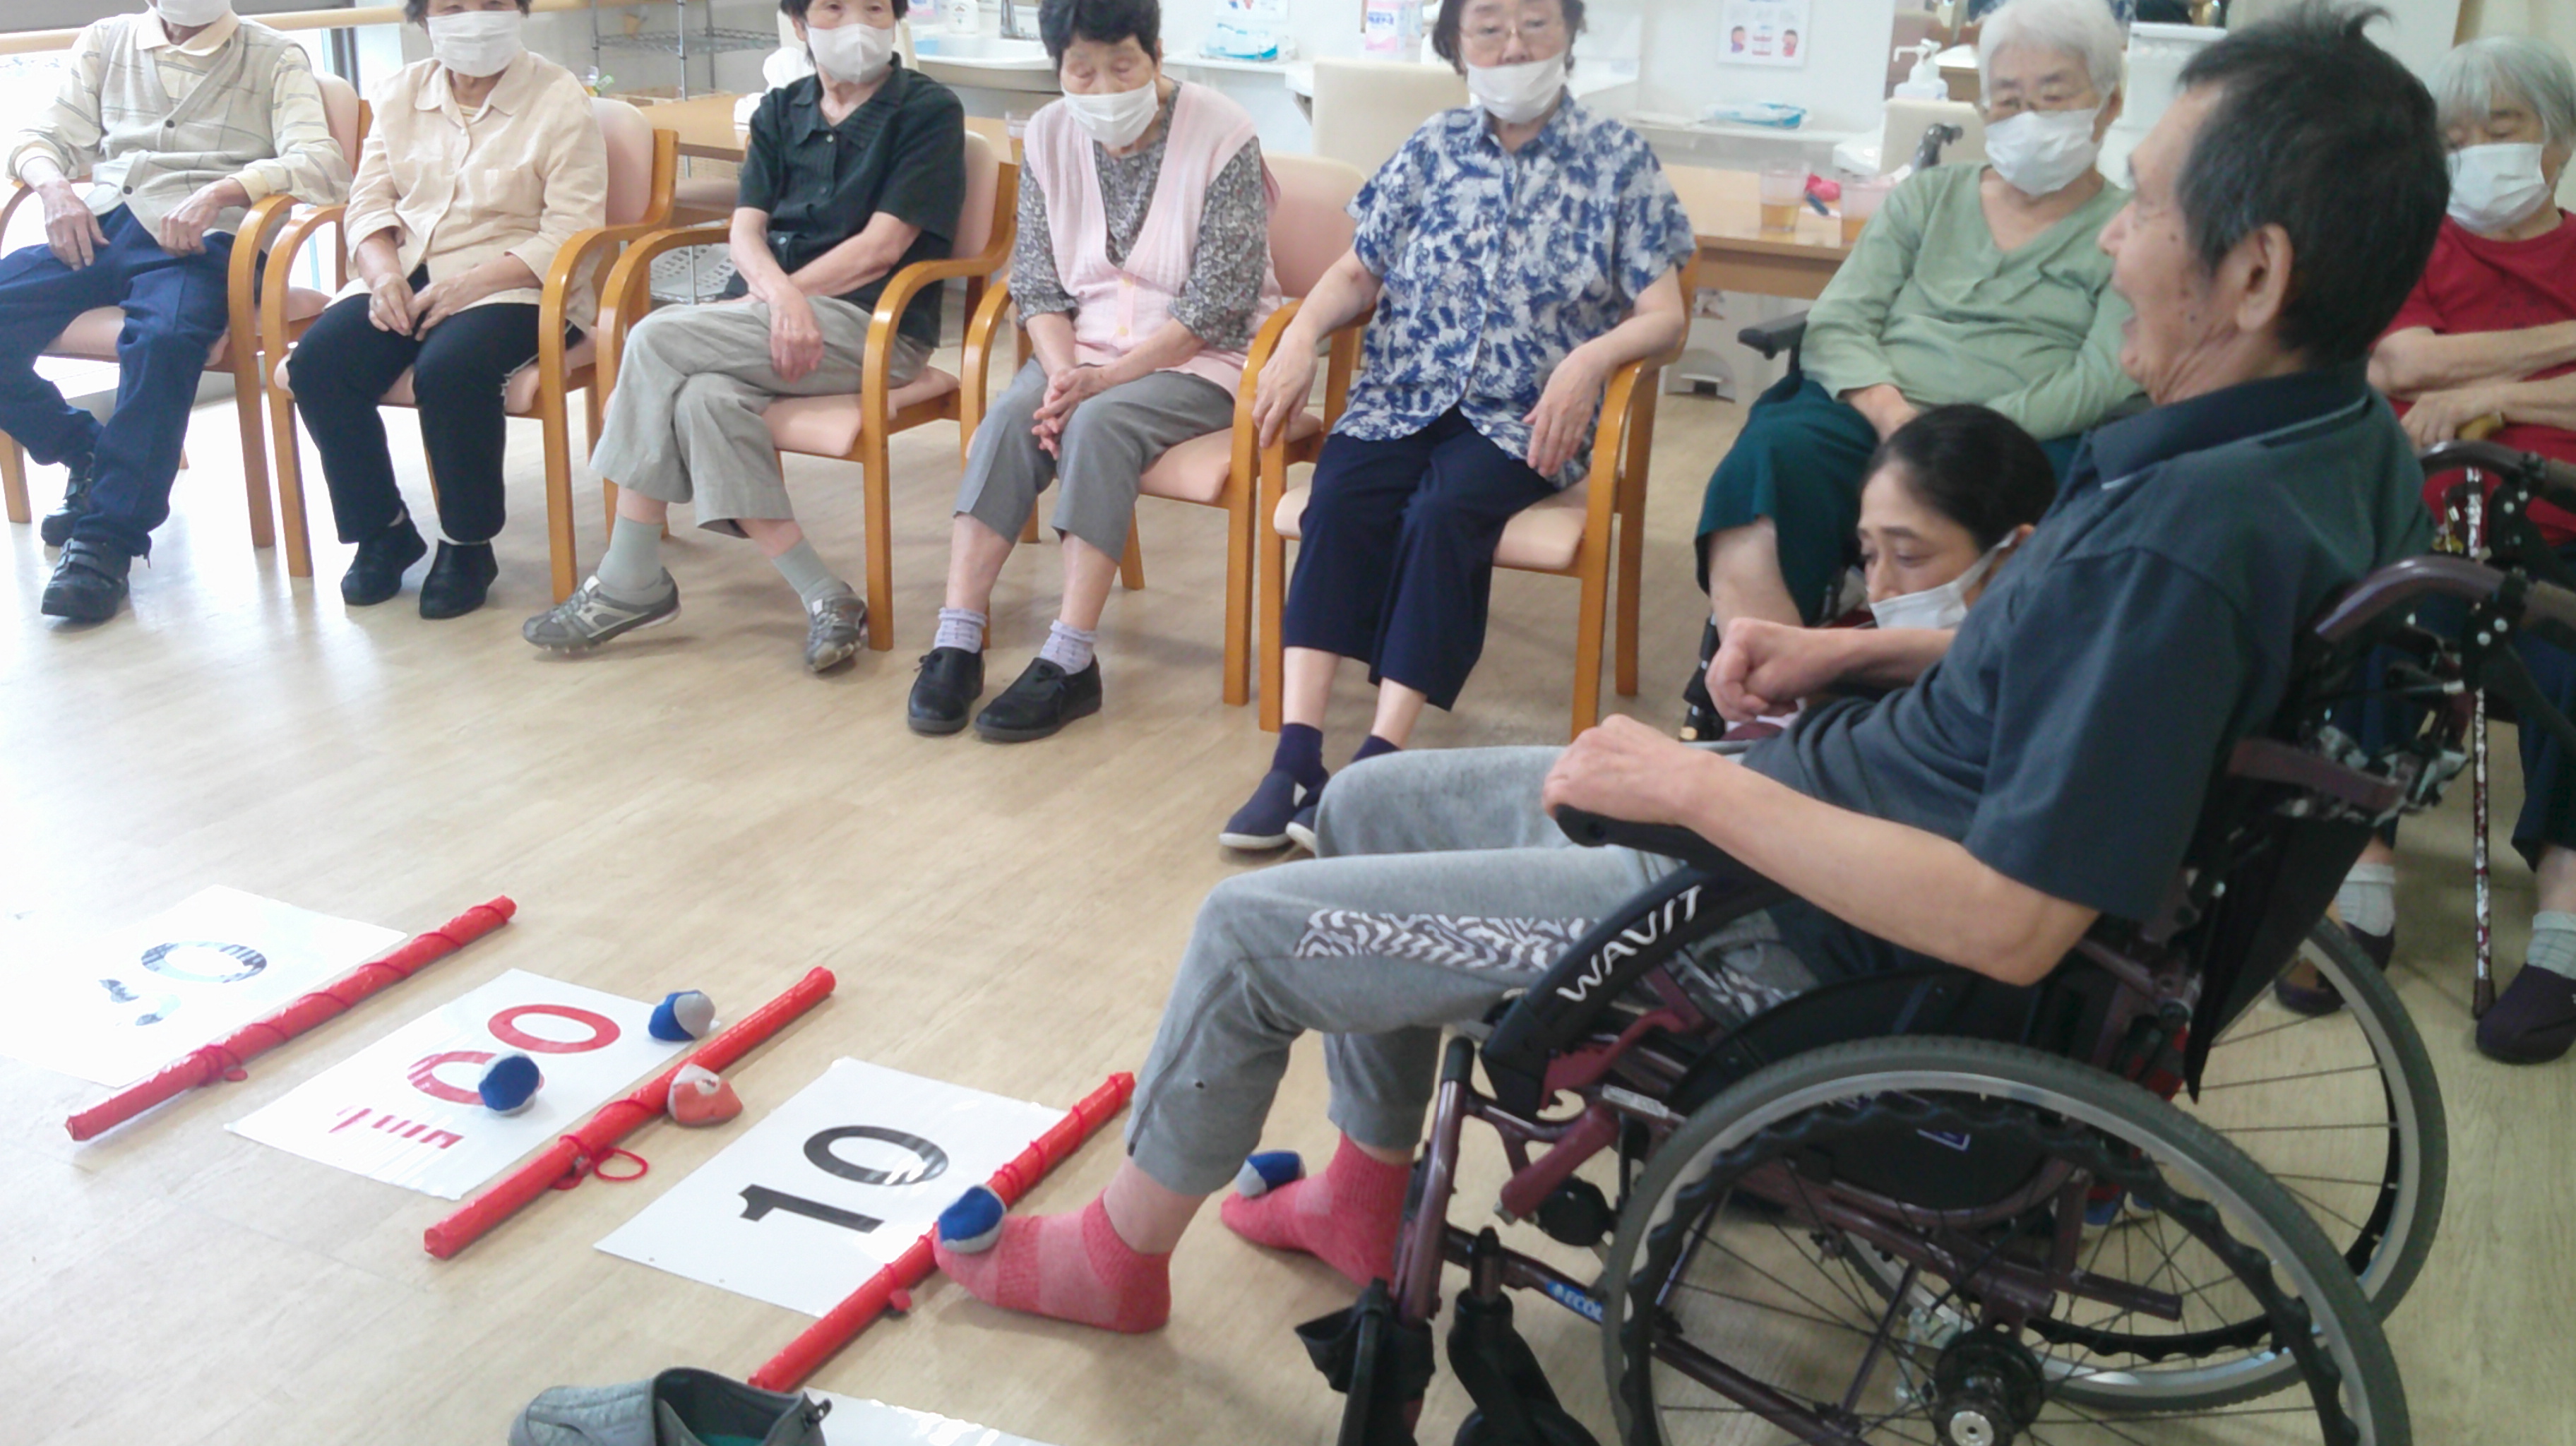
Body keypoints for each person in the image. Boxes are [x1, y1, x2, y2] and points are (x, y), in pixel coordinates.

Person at [918, 1, 2447, 1335]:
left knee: (1245, 930)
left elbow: (2007, 919)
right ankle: (1363, 1191)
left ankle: (1119, 1257)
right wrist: (1853, 644)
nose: (2112, 235)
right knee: (1369, 807)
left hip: (1793, 927)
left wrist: (1694, 791)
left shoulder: (2184, 548)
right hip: (1825, 812)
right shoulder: (2333, 445)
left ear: (2253, 274)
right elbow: (2074, 678)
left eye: (2146, 205)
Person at [1213, 0, 1694, 852]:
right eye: (1489, 28)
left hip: (1524, 414)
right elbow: (1357, 272)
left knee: (1443, 513)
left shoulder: (1618, 160)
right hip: (1401, 393)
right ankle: (1296, 756)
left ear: (1569, 35)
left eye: (1536, 24)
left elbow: (1666, 315)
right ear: (1456, 46)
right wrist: (1298, 336)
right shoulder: (1432, 147)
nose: (1514, 46)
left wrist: (1590, 361)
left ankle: (1377, 763)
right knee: (1340, 499)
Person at [1689, 0, 2140, 727]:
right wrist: (1894, 414)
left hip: (2028, 435)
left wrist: (1956, 437)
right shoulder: (1928, 198)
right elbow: (1840, 320)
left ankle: (1956, 716)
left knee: (2067, 507)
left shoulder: (2130, 228)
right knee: (1773, 456)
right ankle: (1775, 706)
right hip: (1882, 411)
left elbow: (2103, 376)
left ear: (2109, 104)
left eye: (2053, 97)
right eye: (2008, 100)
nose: (2027, 118)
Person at [522, 0, 964, 673]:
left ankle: (628, 578)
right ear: (800, 24)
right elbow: (745, 229)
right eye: (834, 7)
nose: (857, 23)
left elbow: (880, 249)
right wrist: (780, 297)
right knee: (702, 397)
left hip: (875, 326)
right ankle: (825, 594)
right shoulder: (782, 110)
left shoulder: (927, 110)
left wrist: (788, 296)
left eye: (875, 7)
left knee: (654, 340)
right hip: (769, 316)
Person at [907, 0, 1280, 743]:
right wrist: (1062, 377)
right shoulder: (1048, 134)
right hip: (1079, 356)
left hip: (1202, 358)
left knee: (1101, 424)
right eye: (1082, 70)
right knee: (1010, 418)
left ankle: (1071, 658)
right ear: (1058, 69)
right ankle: (959, 634)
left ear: (1157, 56)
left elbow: (1216, 304)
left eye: (1123, 66)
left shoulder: (1223, 131)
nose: (1104, 87)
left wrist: (1098, 385)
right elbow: (1038, 285)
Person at [2317, 34, 2576, 1063]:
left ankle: (2566, 919)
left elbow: (2445, 373)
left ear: (2557, 141)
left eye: (2500, 126)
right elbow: (2402, 367)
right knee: (2368, 611)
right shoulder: (2415, 244)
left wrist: (2498, 392)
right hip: (2424, 515)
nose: (2476, 151)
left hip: (2563, 525)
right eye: (2455, 136)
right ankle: (2363, 875)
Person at [5, 0, 350, 623]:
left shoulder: (274, 54)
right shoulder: (106, 40)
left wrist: (226, 189)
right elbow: (41, 137)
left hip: (207, 243)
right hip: (102, 227)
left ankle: (107, 539)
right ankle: (84, 449)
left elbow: (322, 164)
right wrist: (55, 189)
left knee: (163, 339)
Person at [284, 0, 607, 620]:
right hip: (409, 270)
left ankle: (467, 544)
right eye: (454, 6)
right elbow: (369, 202)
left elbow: (574, 228)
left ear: (518, 11)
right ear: (424, 18)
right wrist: (381, 274)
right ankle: (383, 529)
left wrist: (468, 287)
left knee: (452, 368)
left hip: (518, 281)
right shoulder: (400, 91)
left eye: (492, 4)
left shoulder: (558, 96)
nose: (475, 19)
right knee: (320, 363)